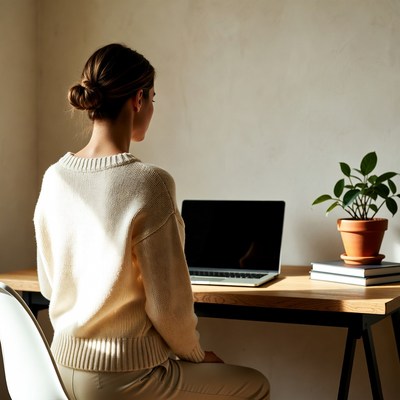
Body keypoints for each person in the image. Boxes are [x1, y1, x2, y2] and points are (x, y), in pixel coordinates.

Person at [33, 43, 270, 400]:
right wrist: (196, 355)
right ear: (138, 99)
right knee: (254, 384)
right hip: (122, 379)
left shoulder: (55, 177)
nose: (152, 108)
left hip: (58, 373)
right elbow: (169, 308)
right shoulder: (150, 182)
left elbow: (49, 287)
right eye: (154, 98)